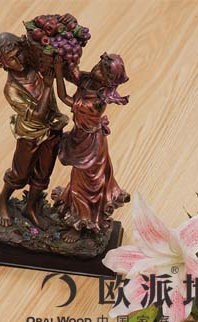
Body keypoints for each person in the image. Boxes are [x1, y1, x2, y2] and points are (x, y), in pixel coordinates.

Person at [0, 32, 68, 229]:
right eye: (11, 59)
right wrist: (48, 86)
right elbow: (38, 116)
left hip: (52, 129)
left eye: (19, 53)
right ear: (3, 64)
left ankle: (30, 207)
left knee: (43, 173)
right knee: (20, 174)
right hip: (30, 136)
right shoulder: (11, 89)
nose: (19, 60)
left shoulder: (35, 67)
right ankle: (2, 199)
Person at [52, 53, 130, 243]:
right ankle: (76, 209)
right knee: (79, 178)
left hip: (90, 145)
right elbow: (75, 75)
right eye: (98, 65)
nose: (96, 69)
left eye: (102, 71)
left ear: (108, 81)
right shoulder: (89, 81)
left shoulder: (96, 102)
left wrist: (58, 72)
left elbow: (64, 97)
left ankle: (82, 223)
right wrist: (68, 60)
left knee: (86, 183)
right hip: (82, 137)